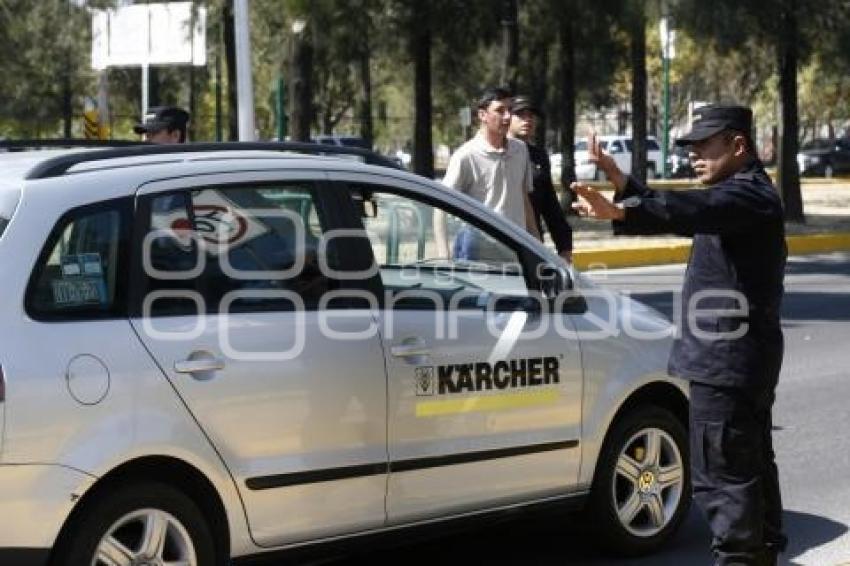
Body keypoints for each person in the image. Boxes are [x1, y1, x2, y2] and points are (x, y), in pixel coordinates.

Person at [572, 105, 787, 566]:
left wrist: (625, 212)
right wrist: (622, 183)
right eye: (689, 146)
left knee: (723, 480)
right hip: (736, 363)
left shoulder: (747, 198)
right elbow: (688, 207)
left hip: (726, 365)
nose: (692, 155)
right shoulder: (742, 196)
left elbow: (691, 208)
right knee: (749, 470)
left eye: (703, 145)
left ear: (737, 145)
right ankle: (762, 552)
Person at [437, 87, 539, 260]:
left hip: (515, 246)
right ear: (482, 115)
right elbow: (440, 205)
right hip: (478, 250)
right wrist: (443, 255)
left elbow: (523, 197)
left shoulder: (520, 150)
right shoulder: (466, 156)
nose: (507, 117)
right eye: (500, 111)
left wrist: (536, 241)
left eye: (509, 110)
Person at [509, 95, 573, 262]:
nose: (527, 119)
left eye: (531, 115)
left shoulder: (538, 156)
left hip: (531, 241)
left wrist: (564, 246)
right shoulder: (498, 154)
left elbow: (550, 204)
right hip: (500, 240)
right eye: (520, 114)